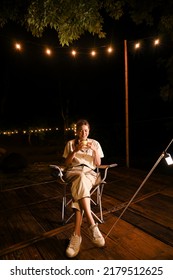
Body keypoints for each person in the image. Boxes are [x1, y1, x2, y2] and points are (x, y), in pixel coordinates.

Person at [62, 119, 105, 258]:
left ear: (89, 131)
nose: (83, 133)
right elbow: (67, 164)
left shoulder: (95, 143)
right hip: (74, 172)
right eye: (80, 130)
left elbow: (98, 163)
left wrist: (93, 151)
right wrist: (75, 150)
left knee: (80, 185)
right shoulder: (70, 143)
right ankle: (92, 224)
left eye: (86, 130)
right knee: (79, 177)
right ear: (77, 131)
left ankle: (77, 235)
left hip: (90, 174)